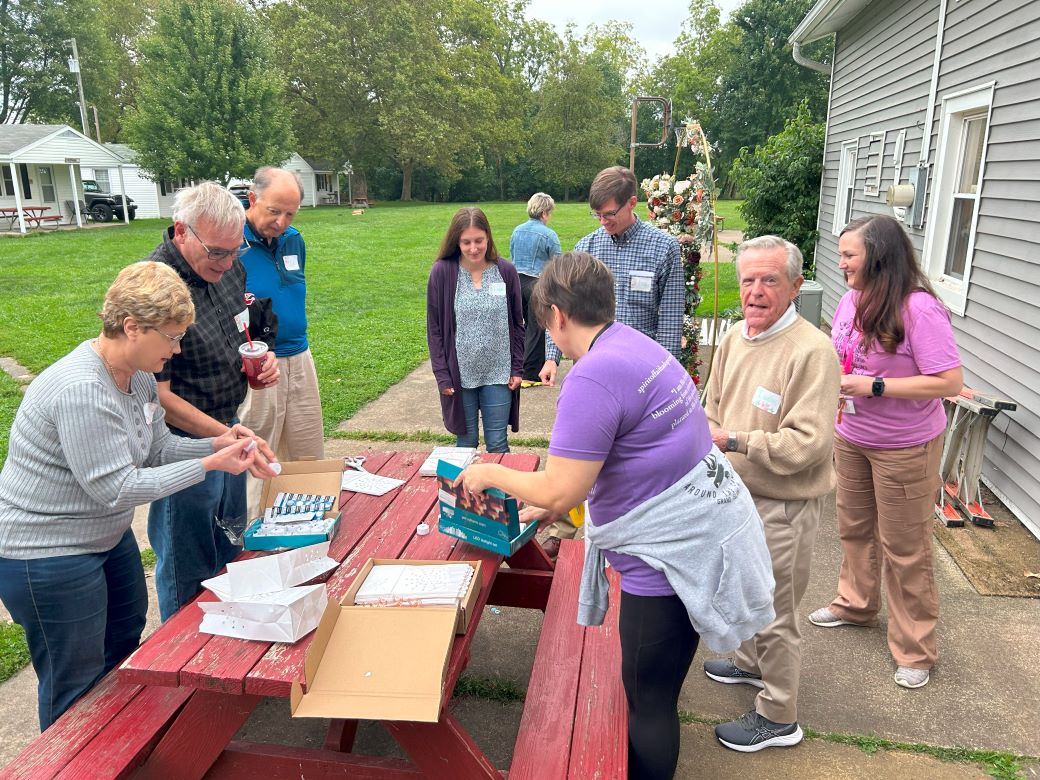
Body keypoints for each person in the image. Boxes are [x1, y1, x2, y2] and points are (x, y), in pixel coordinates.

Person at [455, 252, 774, 779]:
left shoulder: (592, 378)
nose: (551, 339)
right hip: (704, 530)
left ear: (556, 315)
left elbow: (561, 485)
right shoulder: (635, 344)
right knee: (658, 691)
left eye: (547, 327)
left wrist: (489, 474)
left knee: (648, 701)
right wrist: (554, 499)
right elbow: (610, 462)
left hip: (668, 562)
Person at [0, 262, 263, 731]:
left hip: (102, 537)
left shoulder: (138, 375)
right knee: (74, 679)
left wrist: (217, 443)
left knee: (124, 646)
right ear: (132, 327)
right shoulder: (83, 390)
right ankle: (69, 760)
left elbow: (157, 447)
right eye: (172, 336)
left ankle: (115, 747)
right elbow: (114, 487)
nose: (178, 349)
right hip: (45, 554)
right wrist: (208, 465)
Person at [809, 214, 962, 690]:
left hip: (904, 446)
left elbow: (949, 382)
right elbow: (841, 357)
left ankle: (915, 650)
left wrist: (875, 384)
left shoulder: (918, 309)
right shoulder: (853, 299)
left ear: (877, 256)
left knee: (905, 547)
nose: (842, 263)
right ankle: (855, 605)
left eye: (849, 254)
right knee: (854, 528)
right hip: (852, 436)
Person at [701, 236, 841, 752]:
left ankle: (780, 714)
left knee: (777, 608)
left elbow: (809, 445)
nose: (755, 292)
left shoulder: (813, 351)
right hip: (735, 494)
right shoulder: (736, 336)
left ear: (796, 286)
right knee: (742, 591)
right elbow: (712, 408)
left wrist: (735, 440)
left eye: (769, 281)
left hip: (784, 504)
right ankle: (749, 664)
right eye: (747, 280)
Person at [146, 182, 281, 621]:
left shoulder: (229, 269)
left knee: (229, 546)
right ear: (181, 231)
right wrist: (224, 439)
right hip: (181, 446)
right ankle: (181, 659)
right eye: (217, 253)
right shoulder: (155, 287)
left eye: (235, 251)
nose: (226, 264)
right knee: (187, 563)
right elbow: (160, 396)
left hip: (227, 429)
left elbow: (242, 330)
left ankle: (225, 640)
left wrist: (259, 366)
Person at [537, 166, 683, 556]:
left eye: (610, 214)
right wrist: (552, 357)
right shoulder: (587, 247)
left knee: (624, 468)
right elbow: (561, 313)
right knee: (579, 456)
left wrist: (665, 384)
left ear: (633, 203)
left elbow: (669, 324)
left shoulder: (663, 249)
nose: (603, 223)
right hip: (593, 379)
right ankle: (562, 530)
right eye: (597, 215)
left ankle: (624, 538)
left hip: (638, 387)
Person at [238, 167, 325, 516]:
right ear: (252, 199)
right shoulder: (233, 243)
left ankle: (307, 520)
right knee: (258, 452)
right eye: (275, 211)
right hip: (257, 363)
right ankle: (251, 530)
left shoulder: (294, 240)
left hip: (299, 355)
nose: (282, 221)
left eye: (290, 213)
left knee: (306, 449)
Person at [426, 207, 524, 453]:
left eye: (479, 240)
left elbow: (518, 324)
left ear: (488, 237)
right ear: (456, 242)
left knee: (498, 443)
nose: (473, 248)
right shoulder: (443, 273)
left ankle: (502, 494)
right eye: (466, 242)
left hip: (499, 373)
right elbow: (435, 330)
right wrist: (442, 375)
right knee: (465, 445)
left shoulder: (506, 272)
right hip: (460, 376)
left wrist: (517, 367)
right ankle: (467, 493)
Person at [509, 192, 561, 386]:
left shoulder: (517, 230)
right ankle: (530, 372)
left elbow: (513, 254)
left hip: (516, 281)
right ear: (545, 212)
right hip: (536, 283)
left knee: (519, 325)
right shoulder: (548, 234)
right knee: (537, 328)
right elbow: (557, 262)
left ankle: (515, 365)